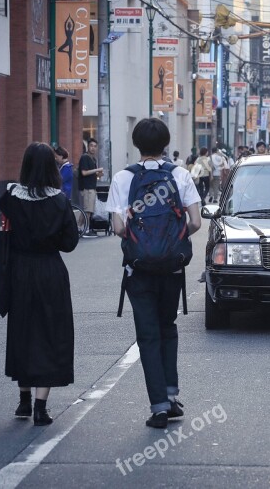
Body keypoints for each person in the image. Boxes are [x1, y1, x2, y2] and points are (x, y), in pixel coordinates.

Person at [106, 118, 202, 428]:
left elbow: (119, 226)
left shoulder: (123, 178)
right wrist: (170, 239)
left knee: (148, 336)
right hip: (171, 267)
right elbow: (196, 222)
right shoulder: (180, 175)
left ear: (136, 144)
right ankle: (172, 397)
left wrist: (142, 241)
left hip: (139, 269)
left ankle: (159, 406)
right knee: (168, 326)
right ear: (165, 143)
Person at [0, 142, 80, 426]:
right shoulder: (59, 201)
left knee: (23, 332)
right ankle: (41, 408)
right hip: (50, 271)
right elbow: (69, 243)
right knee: (50, 333)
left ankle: (23, 401)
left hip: (19, 271)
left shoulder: (10, 198)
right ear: (51, 168)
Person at [78, 138, 104, 237]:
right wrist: (96, 170)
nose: (93, 148)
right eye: (91, 146)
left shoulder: (93, 159)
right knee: (87, 210)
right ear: (87, 147)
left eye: (95, 146)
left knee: (87, 210)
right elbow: (84, 172)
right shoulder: (85, 157)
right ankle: (85, 229)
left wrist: (98, 174)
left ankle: (80, 228)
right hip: (86, 188)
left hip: (91, 187)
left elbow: (92, 174)